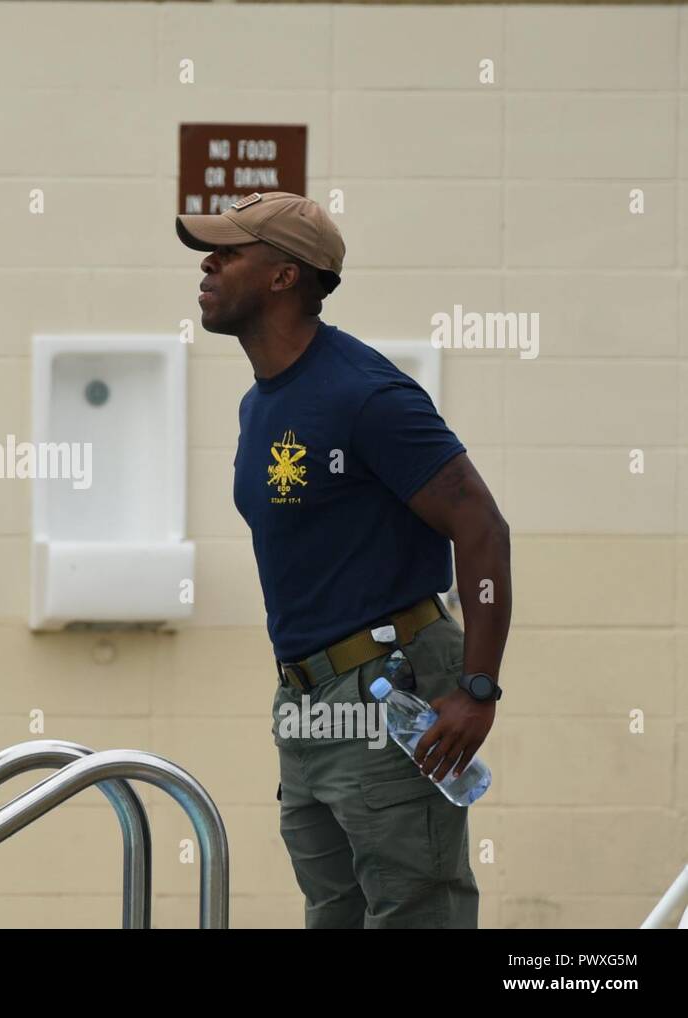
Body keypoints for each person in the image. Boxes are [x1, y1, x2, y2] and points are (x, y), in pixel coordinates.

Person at [177, 191, 511, 928]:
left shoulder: (366, 394)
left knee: (414, 910)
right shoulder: (260, 402)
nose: (207, 263)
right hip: (306, 701)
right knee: (336, 913)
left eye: (228, 251)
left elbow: (481, 525)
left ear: (283, 276)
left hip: (387, 684)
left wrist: (477, 687)